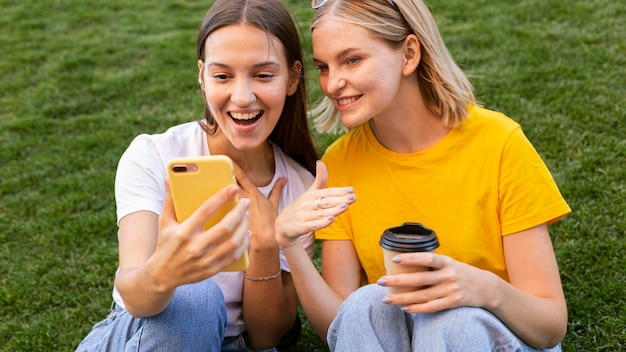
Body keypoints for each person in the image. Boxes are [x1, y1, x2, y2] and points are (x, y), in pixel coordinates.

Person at [275, 0, 571, 351]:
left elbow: (550, 326)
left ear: (409, 54)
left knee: (452, 321)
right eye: (324, 66)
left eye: (352, 59)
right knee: (363, 303)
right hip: (408, 337)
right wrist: (289, 243)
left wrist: (480, 288)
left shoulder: (500, 143)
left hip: (495, 333)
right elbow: (344, 327)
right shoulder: (340, 162)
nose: (333, 82)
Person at [75, 0, 322, 351]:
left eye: (263, 75)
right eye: (223, 76)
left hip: (236, 343)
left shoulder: (299, 186)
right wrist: (166, 271)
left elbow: (266, 337)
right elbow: (133, 295)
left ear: (293, 78)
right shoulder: (154, 155)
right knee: (197, 294)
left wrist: (266, 242)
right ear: (202, 77)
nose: (242, 96)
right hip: (143, 330)